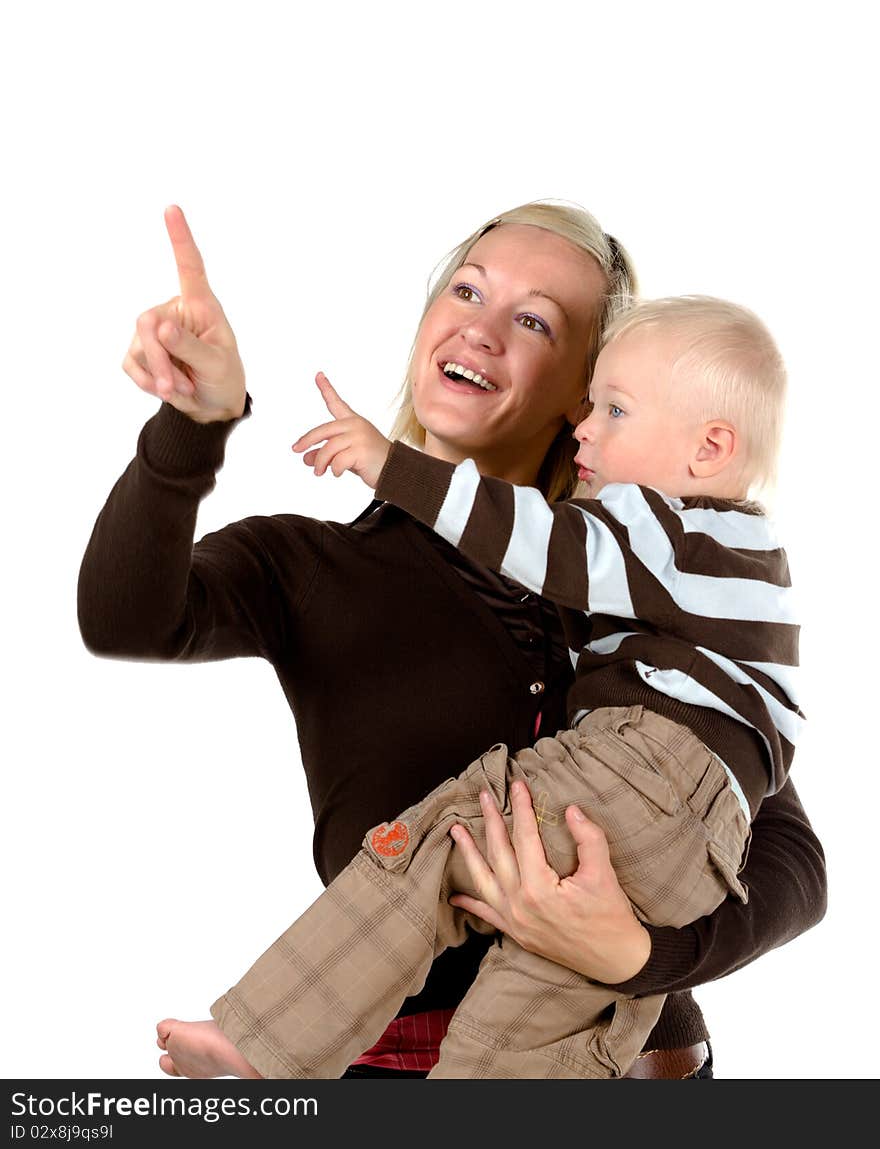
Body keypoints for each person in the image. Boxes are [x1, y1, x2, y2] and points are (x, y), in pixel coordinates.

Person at [77, 203, 826, 1081]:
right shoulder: (313, 565)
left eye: (535, 318)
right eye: (468, 289)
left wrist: (638, 953)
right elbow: (123, 617)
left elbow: (788, 860)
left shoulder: (645, 587)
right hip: (391, 1064)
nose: (481, 327)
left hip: (628, 1067)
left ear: (590, 391)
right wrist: (191, 426)